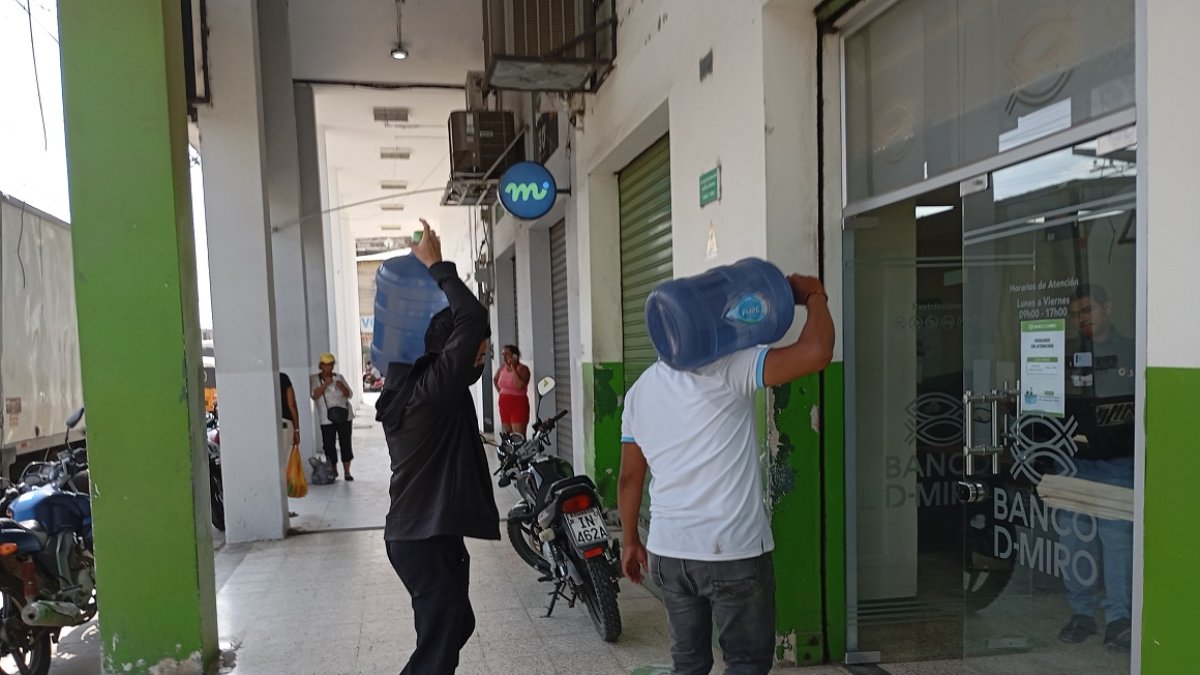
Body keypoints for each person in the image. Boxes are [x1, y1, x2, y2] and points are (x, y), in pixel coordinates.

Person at [618, 273, 834, 675]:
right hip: (732, 551)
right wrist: (815, 296)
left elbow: (631, 478)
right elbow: (818, 351)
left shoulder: (639, 392)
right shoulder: (732, 365)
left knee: (688, 664)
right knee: (746, 665)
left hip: (669, 551)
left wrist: (631, 541)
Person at [374, 219, 498, 675]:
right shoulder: (431, 392)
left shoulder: (414, 389)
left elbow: (470, 330)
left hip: (427, 536)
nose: (480, 358)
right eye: (476, 353)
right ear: (449, 352)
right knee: (438, 650)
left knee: (454, 625)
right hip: (421, 540)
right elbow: (473, 318)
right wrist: (436, 266)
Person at [1056, 283, 1135, 652]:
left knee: (1117, 543)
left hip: (1119, 464)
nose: (1082, 318)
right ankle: (1082, 614)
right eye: (1075, 313)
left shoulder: (1132, 351)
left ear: (1108, 307)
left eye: (1088, 309)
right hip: (1074, 464)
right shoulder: (1066, 352)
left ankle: (1119, 619)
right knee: (1074, 542)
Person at [310, 353, 355, 481]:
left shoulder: (339, 377)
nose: (329, 367)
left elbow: (349, 394)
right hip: (326, 417)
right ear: (321, 366)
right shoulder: (314, 379)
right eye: (326, 365)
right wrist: (325, 385)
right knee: (329, 445)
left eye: (331, 364)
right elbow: (314, 395)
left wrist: (342, 386)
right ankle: (333, 469)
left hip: (344, 415)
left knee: (345, 442)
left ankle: (347, 471)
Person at [492, 344, 531, 437]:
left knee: (518, 437)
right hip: (504, 405)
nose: (504, 357)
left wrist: (513, 367)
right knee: (509, 437)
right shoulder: (502, 368)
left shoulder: (523, 369)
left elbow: (519, 386)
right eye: (503, 355)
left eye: (507, 354)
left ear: (515, 356)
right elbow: (495, 379)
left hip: (518, 404)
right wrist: (501, 392)